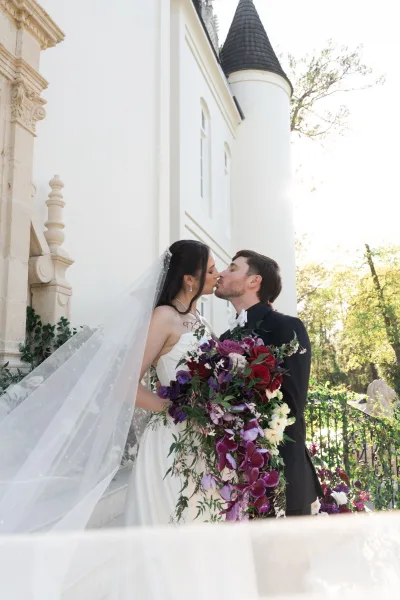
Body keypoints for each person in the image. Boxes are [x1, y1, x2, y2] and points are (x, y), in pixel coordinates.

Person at [216, 250, 322, 516]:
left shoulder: (287, 327)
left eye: (232, 268)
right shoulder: (226, 337)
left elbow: (292, 405)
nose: (221, 273)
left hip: (282, 476)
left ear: (254, 281)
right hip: (237, 481)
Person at [124, 240, 220, 525]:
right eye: (212, 270)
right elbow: (126, 385)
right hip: (171, 441)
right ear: (190, 279)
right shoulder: (164, 317)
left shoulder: (200, 320)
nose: (218, 275)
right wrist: (177, 408)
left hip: (204, 441)